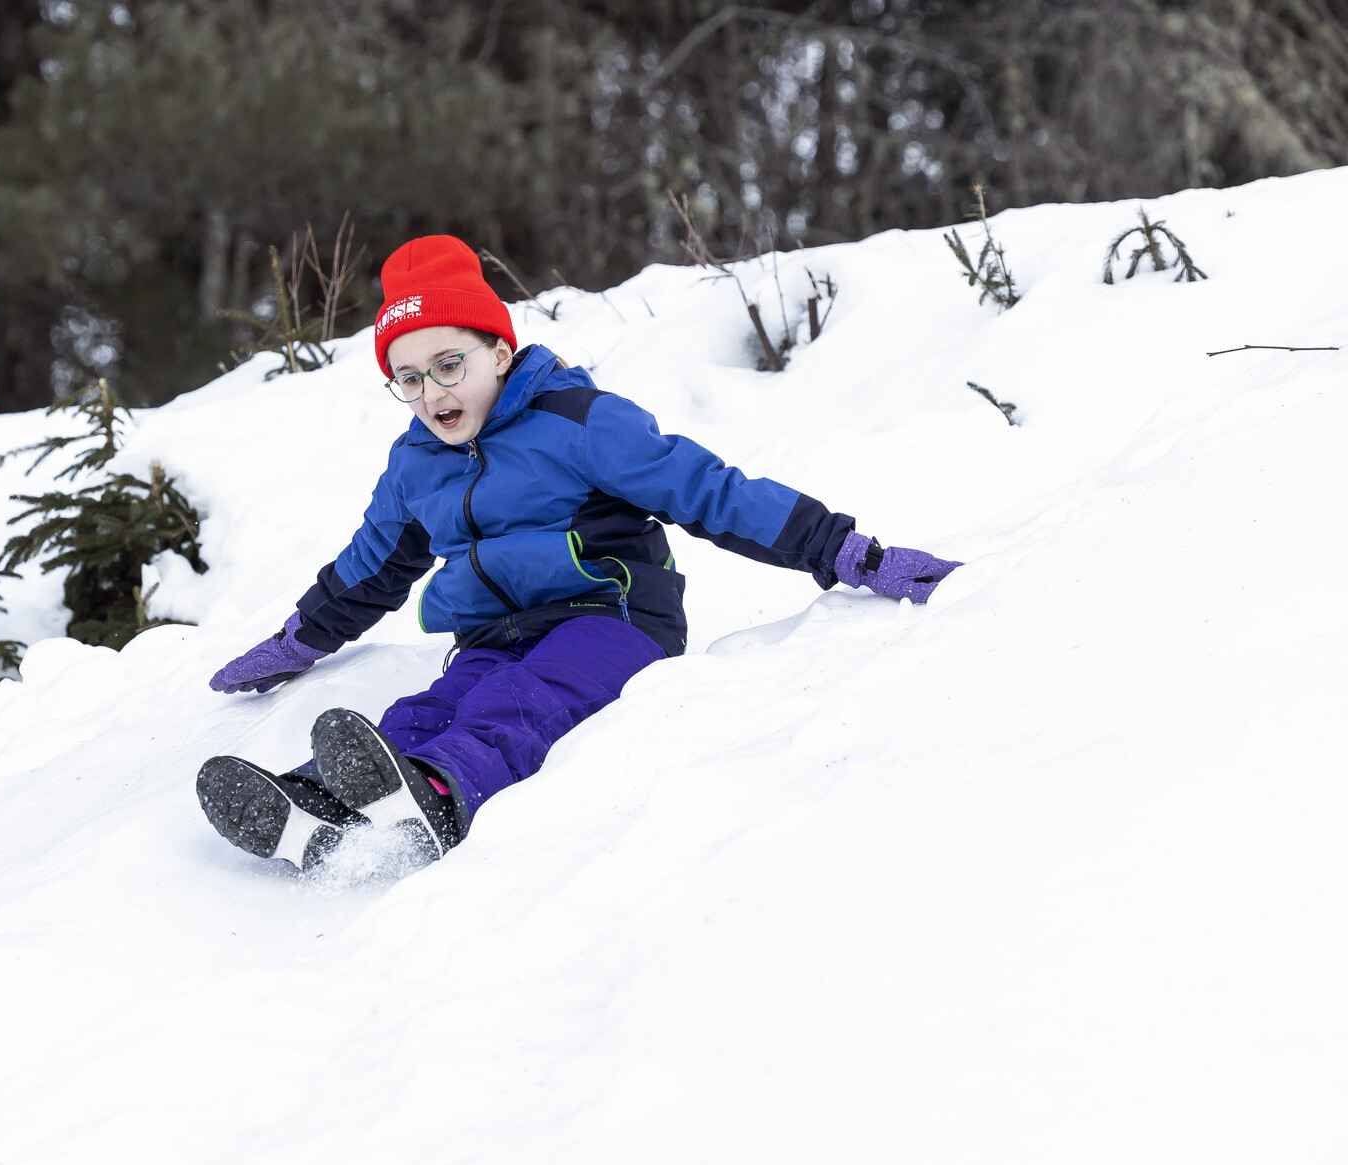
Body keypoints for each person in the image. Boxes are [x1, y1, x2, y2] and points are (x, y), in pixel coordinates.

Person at [195, 236, 961, 871]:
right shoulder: (415, 465)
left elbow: (710, 491)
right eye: (409, 377)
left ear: (499, 349)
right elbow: (369, 568)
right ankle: (319, 800)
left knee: (518, 701)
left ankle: (436, 789)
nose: (431, 392)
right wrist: (298, 641)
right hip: (493, 634)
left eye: (449, 363)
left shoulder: (579, 421)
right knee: (432, 704)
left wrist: (850, 551)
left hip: (614, 617)